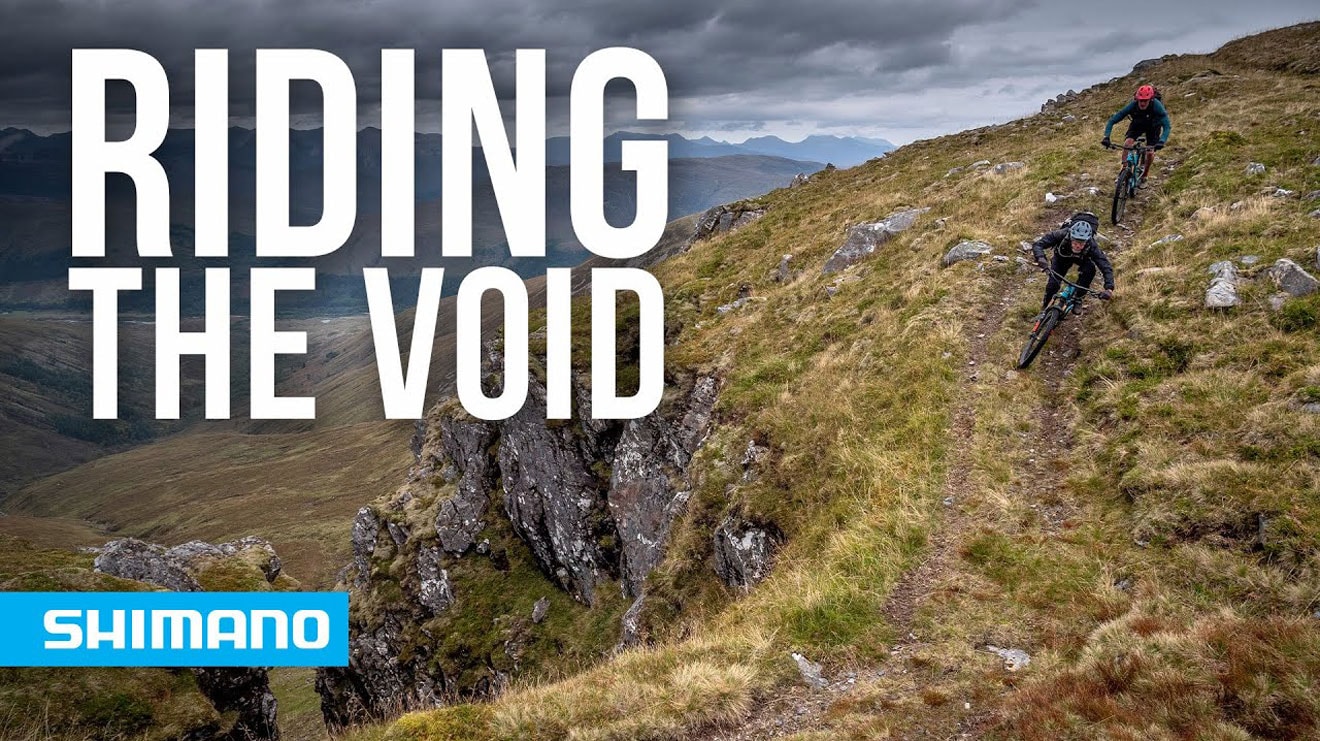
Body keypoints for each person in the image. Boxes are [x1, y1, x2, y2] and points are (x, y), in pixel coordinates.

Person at [1032, 213, 1114, 316]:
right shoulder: (1061, 234)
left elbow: (1105, 266)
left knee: (1090, 270)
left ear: (1087, 241)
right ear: (1071, 237)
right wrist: (1041, 258)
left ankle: (1078, 298)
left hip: (1082, 259)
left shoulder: (1092, 246)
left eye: (1082, 243)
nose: (1078, 246)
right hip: (1062, 257)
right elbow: (1038, 244)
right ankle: (1045, 307)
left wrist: (1109, 288)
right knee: (1053, 284)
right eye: (1075, 242)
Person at [1101, 84, 1170, 187]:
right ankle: (1123, 171)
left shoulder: (1157, 106)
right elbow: (1112, 120)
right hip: (1137, 124)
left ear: (1150, 99)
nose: (1142, 103)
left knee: (1150, 152)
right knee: (1127, 143)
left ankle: (1145, 175)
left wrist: (1162, 141)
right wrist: (1106, 137)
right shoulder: (1133, 105)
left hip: (1153, 126)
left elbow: (1167, 126)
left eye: (1145, 100)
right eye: (1140, 100)